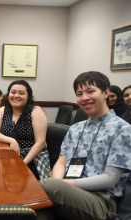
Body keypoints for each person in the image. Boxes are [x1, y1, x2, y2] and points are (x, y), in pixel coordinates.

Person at [37, 71, 131, 220]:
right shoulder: (75, 128)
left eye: (90, 91)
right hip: (66, 192)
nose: (84, 98)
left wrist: (61, 184)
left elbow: (110, 178)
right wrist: (58, 182)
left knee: (44, 185)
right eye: (79, 94)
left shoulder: (123, 129)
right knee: (35, 213)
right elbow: (61, 161)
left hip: (101, 200)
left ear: (106, 92)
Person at [0, 80, 50, 180]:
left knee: (24, 181)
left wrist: (22, 163)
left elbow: (40, 143)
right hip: (8, 154)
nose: (16, 96)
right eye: (13, 92)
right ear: (8, 95)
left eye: (21, 93)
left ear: (28, 96)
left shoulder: (36, 111)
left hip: (32, 157)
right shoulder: (3, 110)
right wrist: (11, 140)